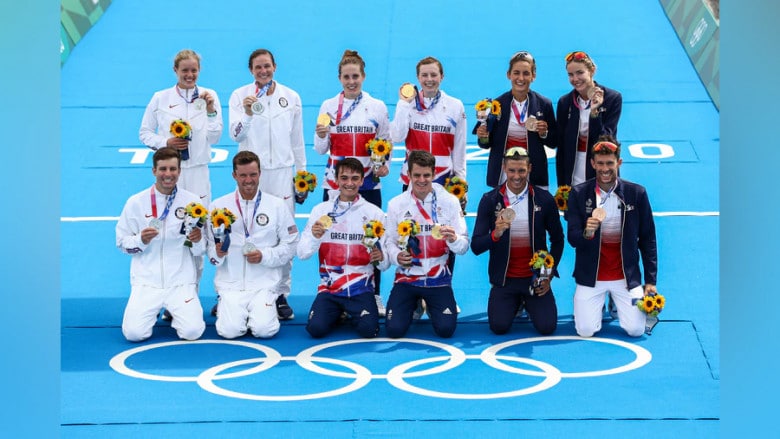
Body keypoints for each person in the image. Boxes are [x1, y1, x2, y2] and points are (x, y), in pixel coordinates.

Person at [228, 48, 306, 320]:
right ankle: (236, 289)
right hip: (253, 175)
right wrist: (248, 113)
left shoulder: (291, 97)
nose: (263, 71)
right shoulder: (240, 96)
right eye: (258, 68)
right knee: (246, 230)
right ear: (251, 71)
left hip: (283, 174)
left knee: (285, 233)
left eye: (267, 66)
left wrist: (302, 175)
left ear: (275, 66)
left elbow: (297, 140)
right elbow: (235, 133)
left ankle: (281, 293)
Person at [313, 49, 391, 316]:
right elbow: (320, 149)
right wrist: (322, 135)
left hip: (369, 185)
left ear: (364, 76)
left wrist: (384, 167)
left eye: (355, 76)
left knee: (372, 240)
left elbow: (386, 144)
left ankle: (374, 293)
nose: (351, 81)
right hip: (335, 186)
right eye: (346, 77)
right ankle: (330, 287)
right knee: (332, 239)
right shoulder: (327, 107)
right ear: (339, 78)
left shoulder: (377, 107)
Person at [566, 137, 657, 338]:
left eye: (609, 163)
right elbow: (572, 239)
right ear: (592, 163)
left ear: (619, 163)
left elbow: (648, 239)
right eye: (600, 163)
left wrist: (650, 281)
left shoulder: (637, 193)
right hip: (591, 277)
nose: (604, 169)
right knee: (585, 331)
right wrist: (586, 233)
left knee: (636, 330)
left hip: (626, 278)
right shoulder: (579, 194)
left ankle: (618, 300)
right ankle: (596, 306)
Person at [115, 147, 206, 342]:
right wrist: (141, 239)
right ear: (154, 171)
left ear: (180, 171)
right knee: (134, 334)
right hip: (147, 282)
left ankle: (177, 310)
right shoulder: (136, 202)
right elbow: (122, 243)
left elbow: (201, 249)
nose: (168, 174)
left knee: (192, 332)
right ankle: (152, 309)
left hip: (180, 281)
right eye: (163, 169)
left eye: (173, 169)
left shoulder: (193, 202)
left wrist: (197, 240)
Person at [471, 147, 564, 335]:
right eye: (512, 170)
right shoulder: (490, 200)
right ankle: (517, 302)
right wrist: (495, 235)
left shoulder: (544, 199)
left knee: (547, 327)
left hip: (534, 279)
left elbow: (558, 240)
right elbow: (476, 246)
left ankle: (526, 301)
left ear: (529, 168)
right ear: (504, 168)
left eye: (521, 170)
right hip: (505, 281)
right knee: (499, 327)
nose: (516, 176)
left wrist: (548, 274)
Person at [206, 151, 299, 339]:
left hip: (264, 284)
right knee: (228, 332)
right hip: (231, 285)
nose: (249, 180)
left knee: (265, 331)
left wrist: (264, 256)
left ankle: (261, 309)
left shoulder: (277, 206)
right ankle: (230, 307)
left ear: (260, 174)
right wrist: (218, 253)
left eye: (253, 174)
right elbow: (210, 251)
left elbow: (291, 244)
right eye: (243, 175)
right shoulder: (217, 207)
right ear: (234, 175)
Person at [297, 158, 389, 338]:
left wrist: (380, 257)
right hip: (330, 289)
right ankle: (339, 311)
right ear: (336, 180)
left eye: (355, 178)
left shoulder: (374, 213)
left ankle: (347, 312)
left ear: (362, 181)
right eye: (344, 178)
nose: (349, 183)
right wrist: (316, 237)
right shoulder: (320, 211)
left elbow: (384, 266)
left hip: (361, 289)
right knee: (315, 329)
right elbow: (302, 253)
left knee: (369, 331)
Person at [384, 151, 469, 338]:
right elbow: (389, 242)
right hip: (407, 279)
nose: (421, 180)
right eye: (416, 175)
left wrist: (453, 239)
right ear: (408, 175)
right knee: (394, 330)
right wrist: (396, 256)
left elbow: (463, 246)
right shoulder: (396, 205)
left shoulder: (450, 202)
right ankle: (415, 303)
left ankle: (429, 304)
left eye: (426, 175)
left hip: (438, 280)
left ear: (434, 174)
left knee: (446, 330)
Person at [139, 49, 223, 206]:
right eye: (184, 70)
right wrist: (166, 143)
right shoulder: (160, 98)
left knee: (199, 221)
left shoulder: (209, 96)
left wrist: (210, 111)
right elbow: (145, 133)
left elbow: (215, 138)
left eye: (194, 70)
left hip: (198, 171)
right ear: (175, 70)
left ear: (199, 70)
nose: (189, 75)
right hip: (170, 171)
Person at [476, 51, 556, 191]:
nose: (521, 78)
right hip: (503, 174)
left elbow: (553, 142)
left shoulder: (544, 104)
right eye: (516, 73)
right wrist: (483, 137)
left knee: (534, 212)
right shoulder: (496, 105)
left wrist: (544, 133)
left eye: (526, 73)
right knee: (502, 212)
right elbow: (484, 144)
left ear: (533, 76)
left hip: (535, 172)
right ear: (509, 75)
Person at [390, 56, 467, 192]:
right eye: (424, 75)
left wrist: (461, 180)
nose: (429, 79)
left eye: (433, 75)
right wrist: (403, 104)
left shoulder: (455, 106)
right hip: (414, 179)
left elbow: (459, 147)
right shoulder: (408, 104)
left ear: (442, 76)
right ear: (418, 77)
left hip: (444, 178)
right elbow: (397, 137)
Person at [555, 51, 622, 188]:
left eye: (580, 73)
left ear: (592, 71)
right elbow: (561, 147)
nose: (575, 79)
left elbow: (604, 140)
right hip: (573, 170)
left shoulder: (612, 98)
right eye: (571, 75)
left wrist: (594, 112)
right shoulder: (565, 102)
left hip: (601, 168)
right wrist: (562, 184)